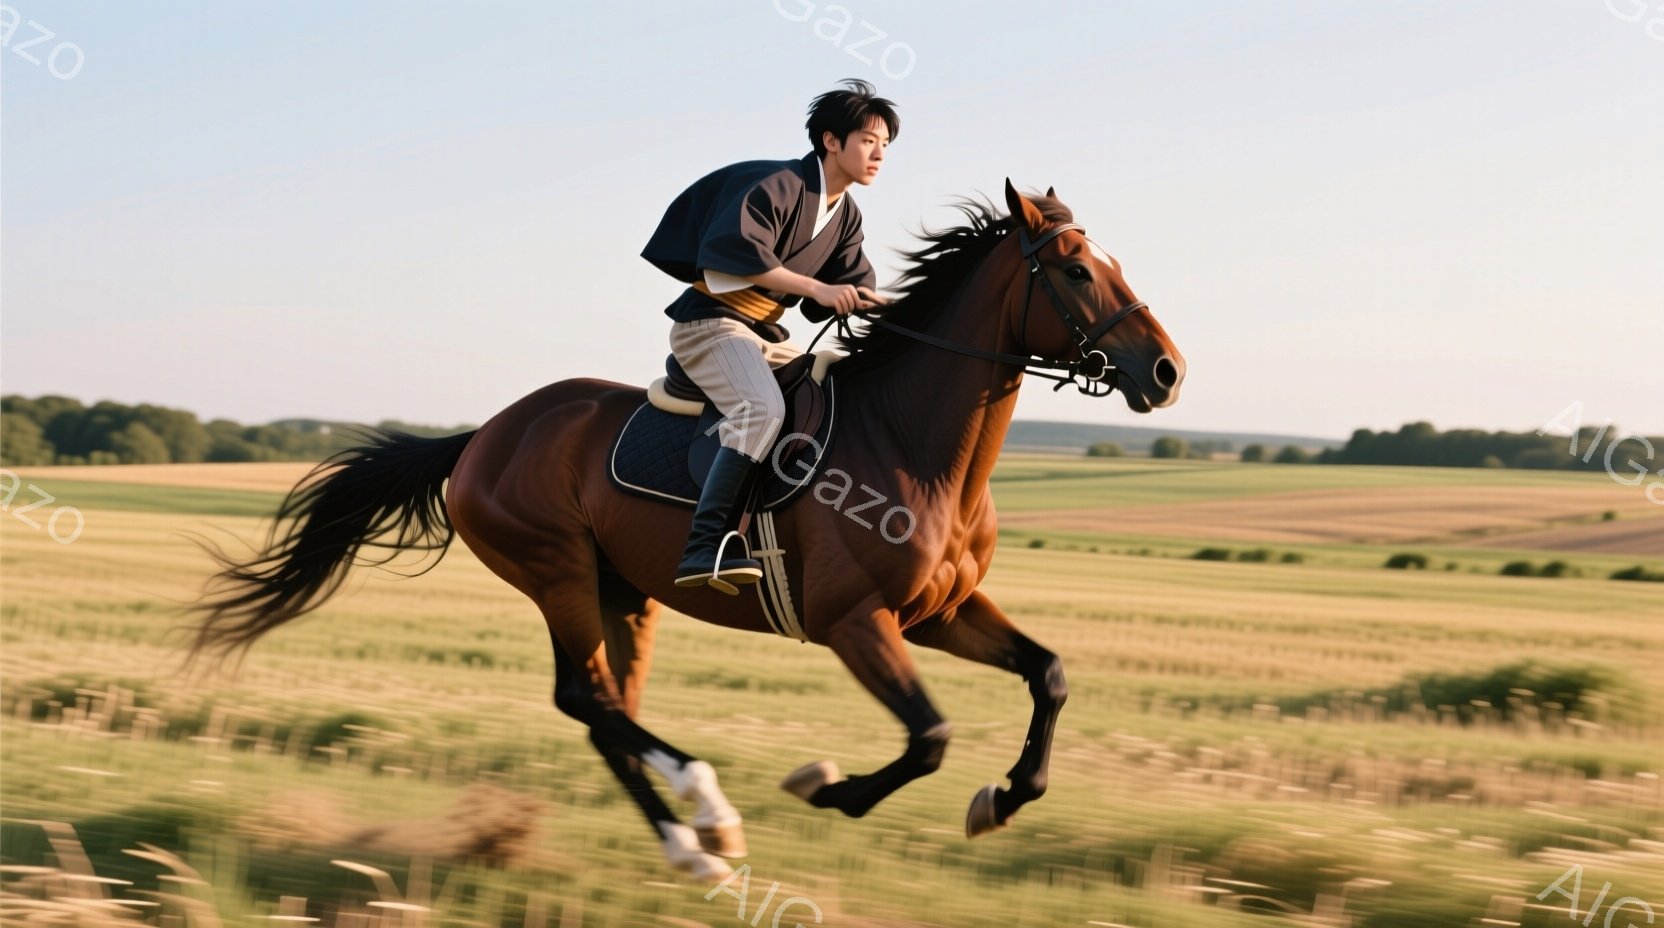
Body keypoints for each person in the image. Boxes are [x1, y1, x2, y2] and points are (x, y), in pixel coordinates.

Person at [641, 78, 897, 592]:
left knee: (828, 393)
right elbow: (737, 256)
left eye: (885, 146)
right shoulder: (776, 184)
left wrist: (907, 310)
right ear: (830, 140)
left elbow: (853, 286)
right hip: (709, 325)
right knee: (764, 409)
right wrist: (816, 289)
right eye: (869, 140)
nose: (879, 155)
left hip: (766, 334)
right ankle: (704, 545)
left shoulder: (845, 214)